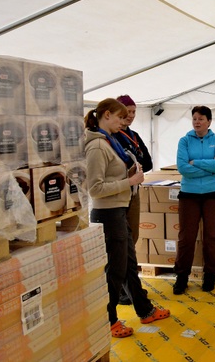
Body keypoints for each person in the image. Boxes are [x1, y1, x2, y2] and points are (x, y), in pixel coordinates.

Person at [84, 98, 170, 338]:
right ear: (107, 115)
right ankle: (109, 320)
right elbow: (95, 188)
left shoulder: (109, 141)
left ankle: (144, 310)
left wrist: (129, 174)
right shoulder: (97, 146)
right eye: (121, 117)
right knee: (115, 271)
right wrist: (129, 181)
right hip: (108, 213)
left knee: (129, 265)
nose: (125, 122)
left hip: (119, 209)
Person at [173, 105, 215, 295]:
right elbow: (182, 167)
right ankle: (181, 277)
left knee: (212, 236)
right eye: (194, 118)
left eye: (201, 119)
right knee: (186, 237)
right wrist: (209, 167)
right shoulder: (185, 141)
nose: (197, 122)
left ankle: (210, 274)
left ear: (209, 121)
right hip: (189, 194)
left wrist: (195, 162)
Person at [115, 94, 153, 305]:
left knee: (132, 239)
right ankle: (121, 288)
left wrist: (136, 163)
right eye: (127, 112)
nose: (131, 116)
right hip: (118, 195)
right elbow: (124, 165)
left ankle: (131, 286)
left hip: (134, 193)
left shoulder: (133, 135)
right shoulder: (112, 136)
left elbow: (148, 162)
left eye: (134, 112)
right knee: (120, 243)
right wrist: (135, 163)